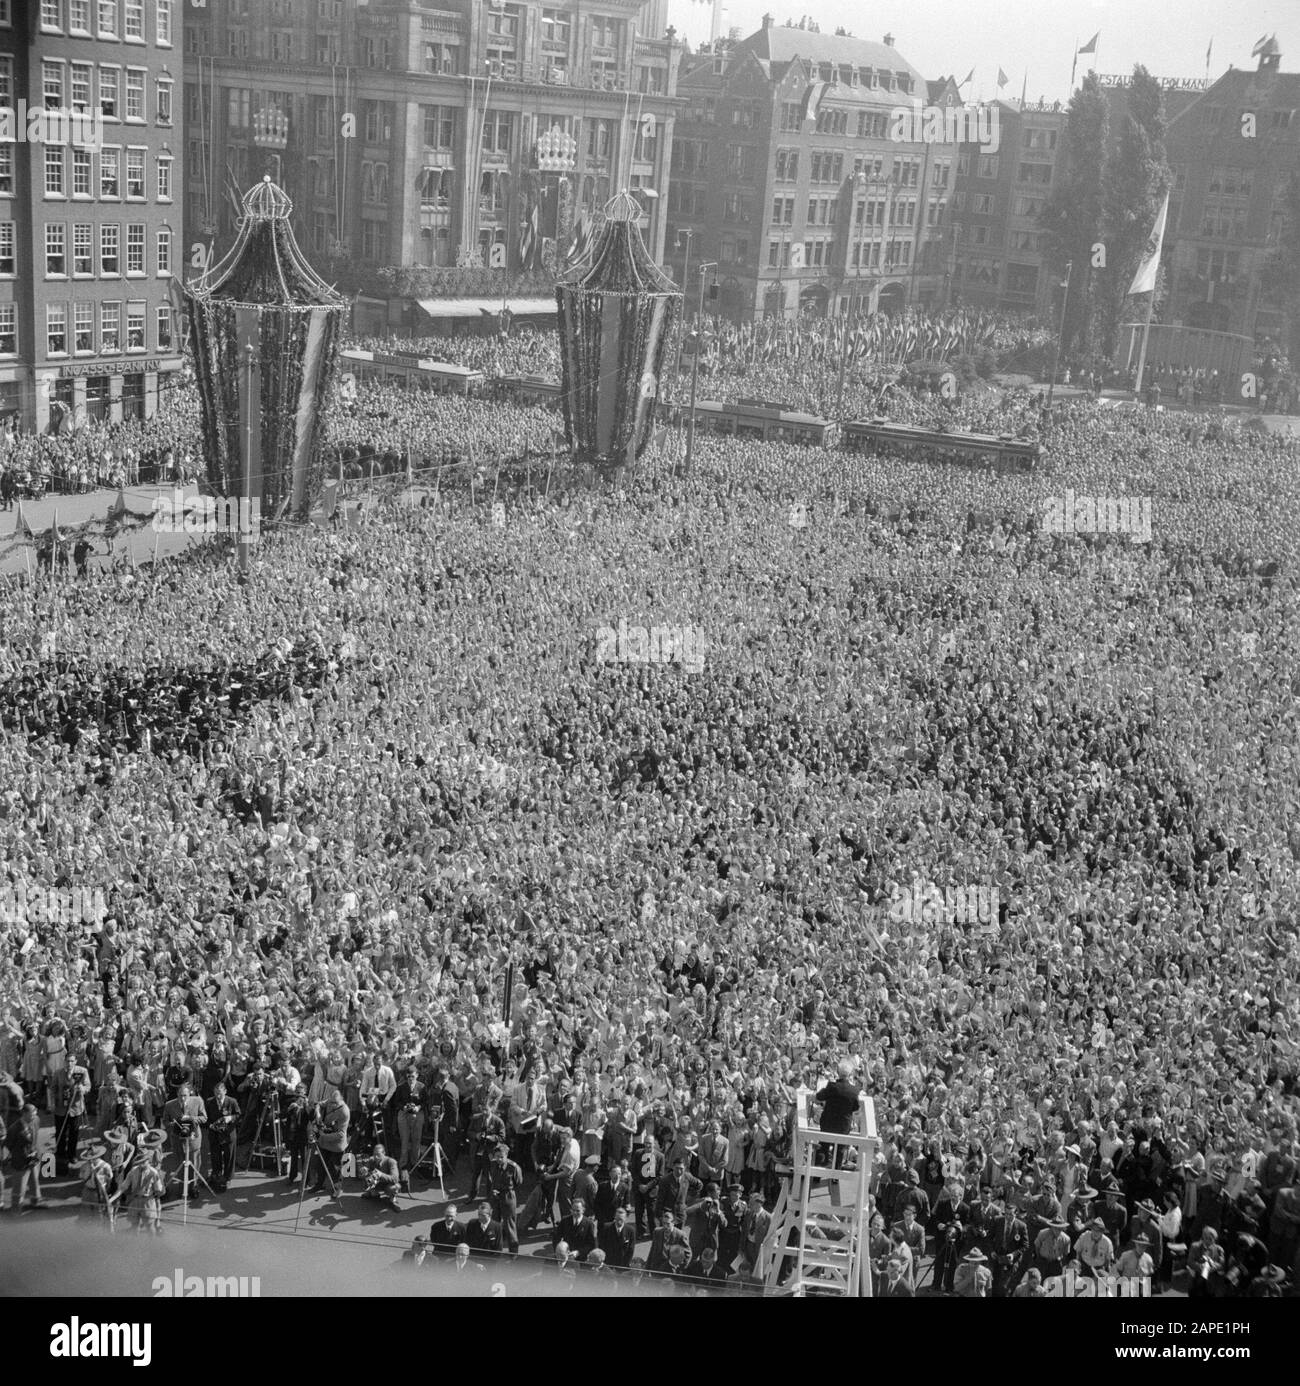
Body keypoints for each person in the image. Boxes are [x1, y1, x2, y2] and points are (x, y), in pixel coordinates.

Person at [7, 1103, 46, 1212]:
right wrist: (21, 1154)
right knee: (19, 1187)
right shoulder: (14, 1129)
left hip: (34, 1159)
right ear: (23, 1114)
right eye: (30, 1115)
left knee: (35, 1182)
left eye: (34, 1114)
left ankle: (36, 1202)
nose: (33, 1117)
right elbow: (9, 1145)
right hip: (20, 1162)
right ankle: (15, 1209)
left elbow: (35, 1134)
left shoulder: (36, 1120)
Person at [309, 1091, 349, 1194]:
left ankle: (337, 1189)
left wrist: (323, 1136)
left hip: (336, 1144)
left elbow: (341, 1134)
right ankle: (319, 1184)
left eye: (334, 1103)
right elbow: (318, 1104)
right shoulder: (331, 1101)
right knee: (320, 1165)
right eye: (330, 1102)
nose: (331, 1105)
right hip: (324, 1141)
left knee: (335, 1169)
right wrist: (317, 1113)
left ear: (340, 1101)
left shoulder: (344, 1111)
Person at [488, 1141, 524, 1254]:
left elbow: (518, 1182)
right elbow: (491, 1178)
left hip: (508, 1196)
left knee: (510, 1225)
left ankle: (513, 1252)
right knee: (494, 1223)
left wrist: (506, 1190)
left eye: (501, 1157)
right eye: (497, 1156)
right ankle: (494, 1249)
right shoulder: (493, 1164)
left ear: (506, 1156)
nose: (499, 1159)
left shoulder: (513, 1168)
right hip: (495, 1196)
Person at [206, 1079, 239, 1192]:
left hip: (228, 1134)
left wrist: (231, 1118)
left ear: (225, 1091)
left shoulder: (232, 1101)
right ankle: (217, 1174)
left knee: (229, 1156)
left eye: (220, 1092)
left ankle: (228, 1177)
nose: (218, 1095)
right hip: (214, 1133)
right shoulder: (209, 1102)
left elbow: (239, 1115)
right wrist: (210, 1125)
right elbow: (206, 1118)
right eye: (216, 1092)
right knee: (215, 1156)